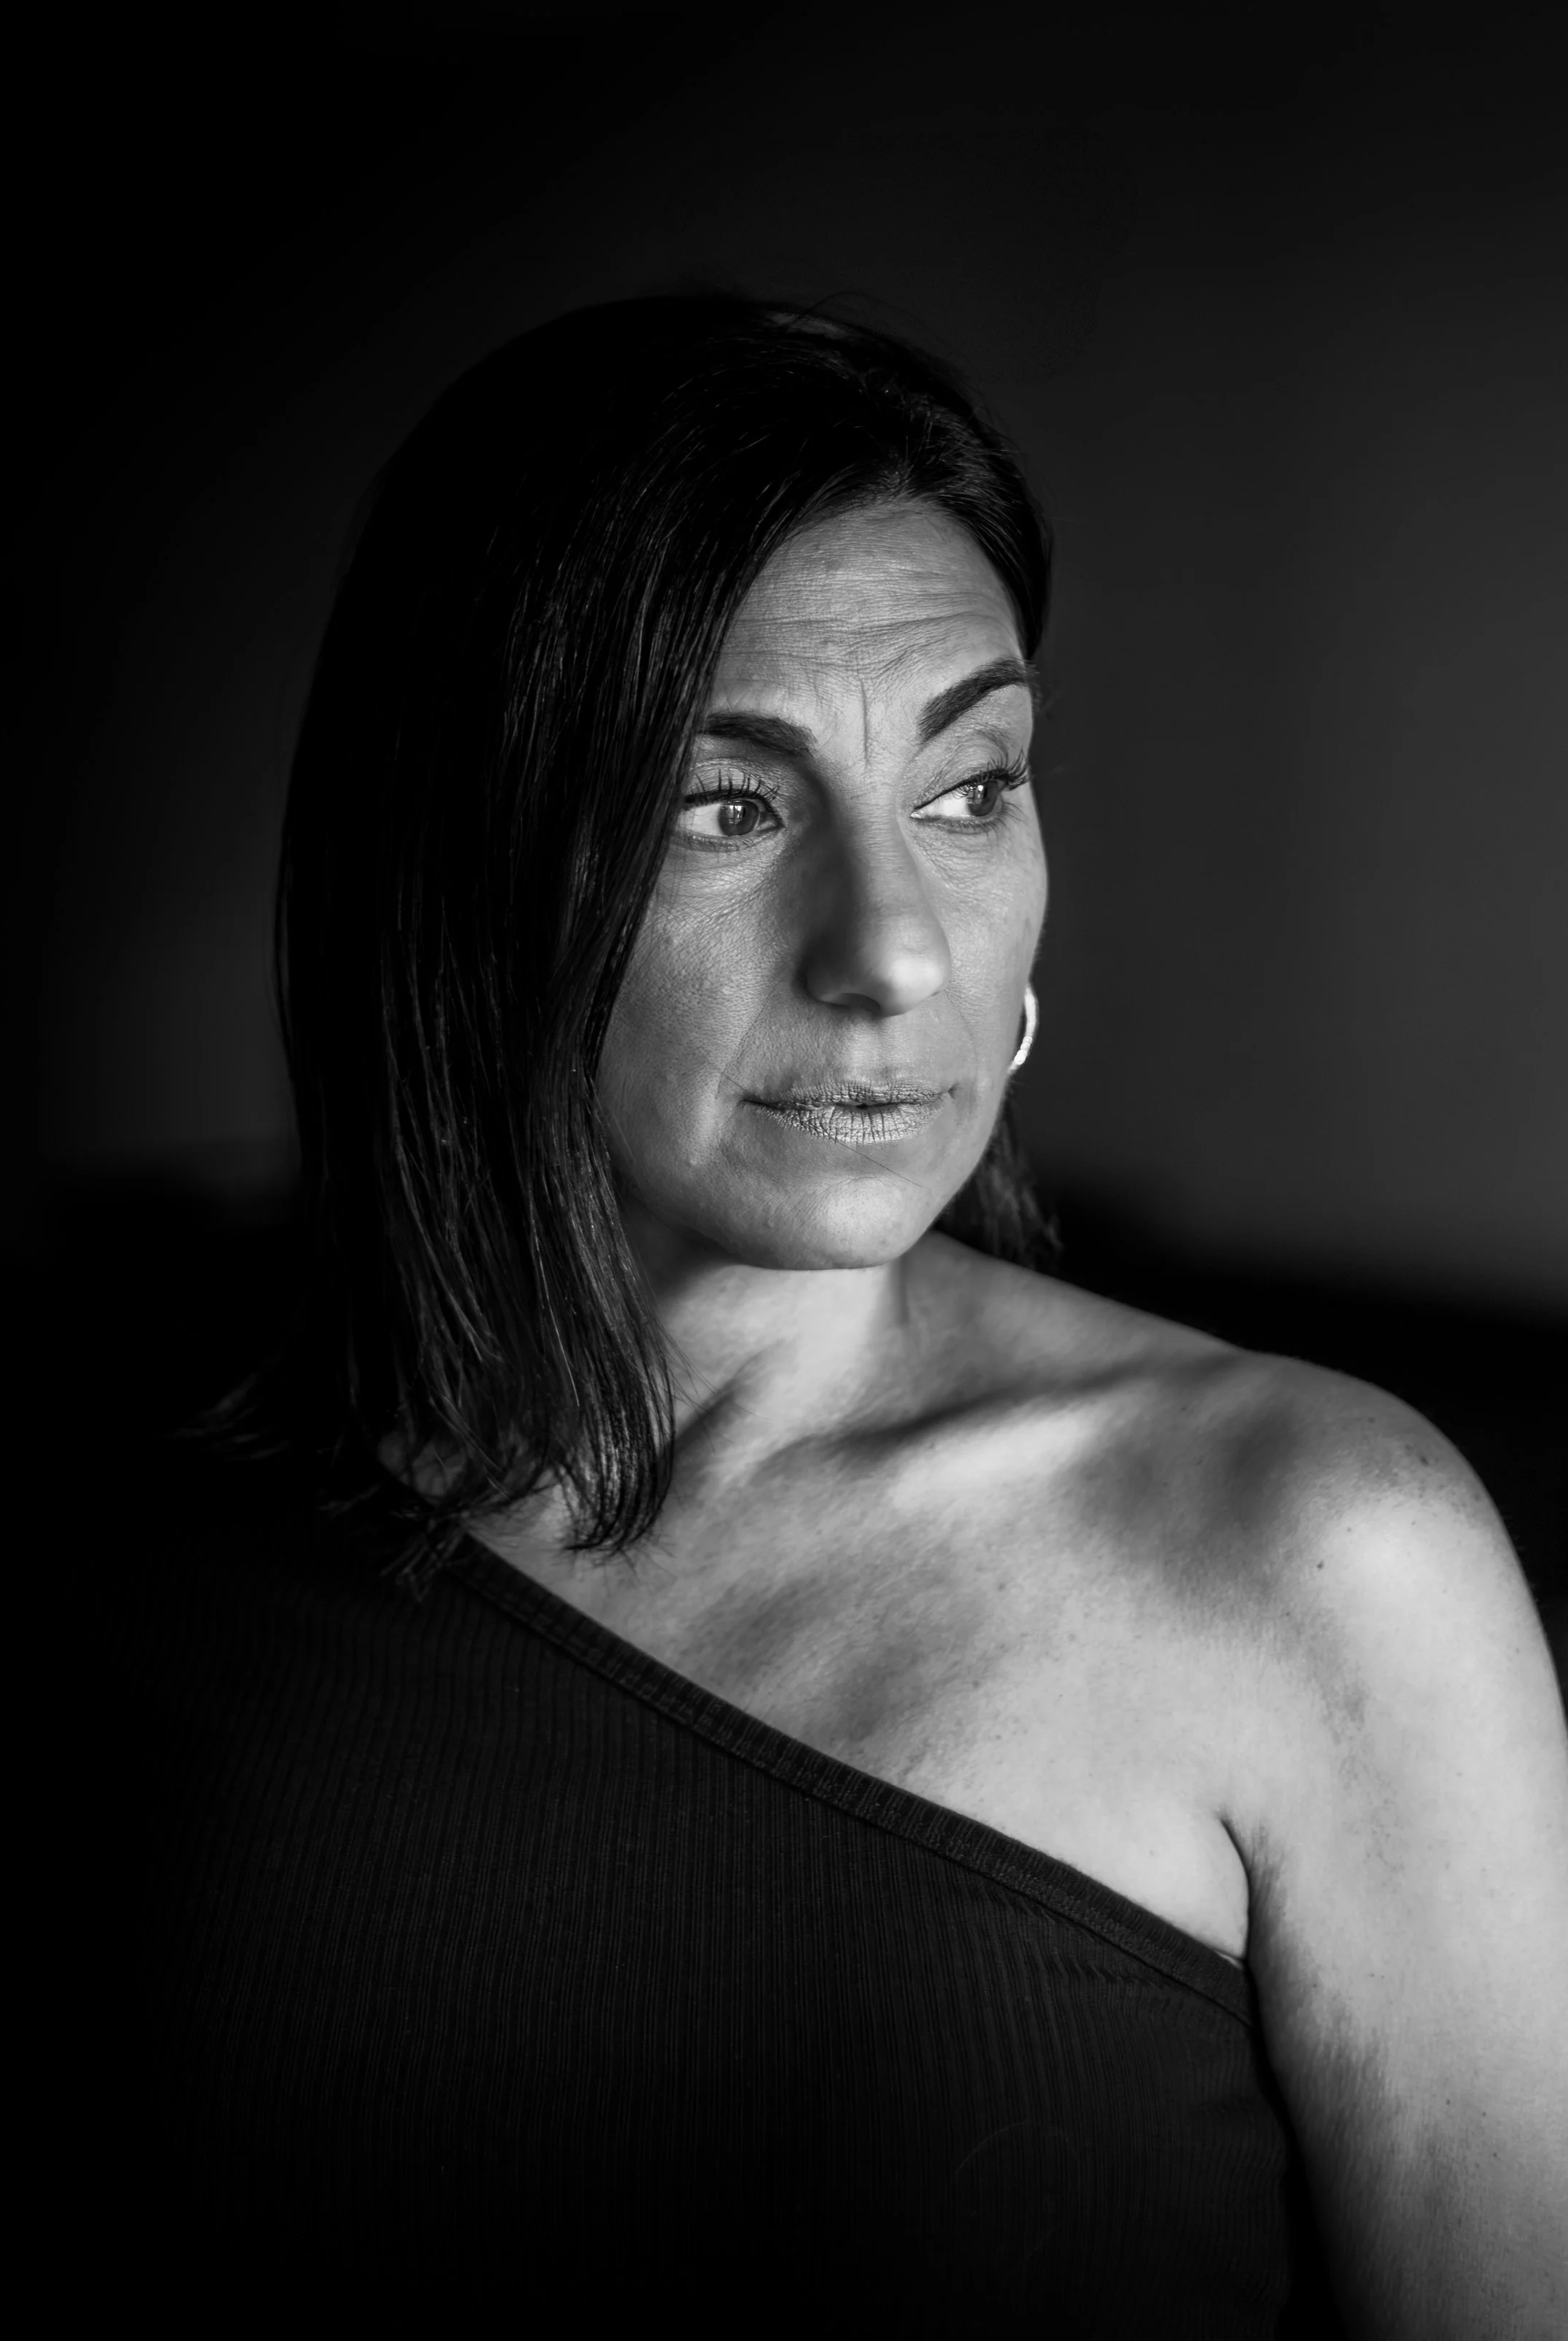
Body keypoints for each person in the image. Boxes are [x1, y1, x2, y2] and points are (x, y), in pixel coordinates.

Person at [109, 294, 1567, 2334]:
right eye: (728, 805)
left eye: (971, 787)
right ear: (469, 869)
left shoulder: (1328, 1553)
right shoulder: (187, 1536)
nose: (892, 954)